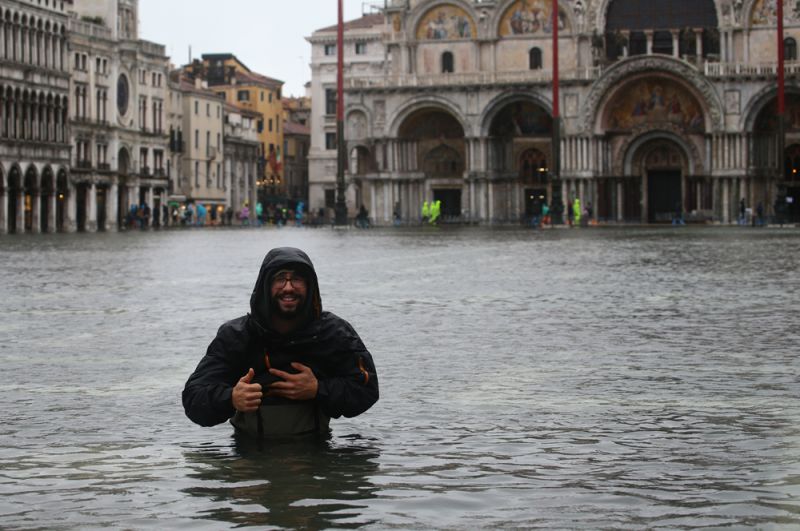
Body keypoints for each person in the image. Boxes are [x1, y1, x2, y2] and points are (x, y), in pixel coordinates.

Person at [182, 247, 379, 437]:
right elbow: (193, 398)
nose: (288, 287)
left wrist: (318, 389)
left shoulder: (334, 333)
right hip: (248, 456)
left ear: (310, 286)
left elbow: (367, 389)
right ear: (265, 286)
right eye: (280, 279)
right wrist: (231, 398)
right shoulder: (236, 336)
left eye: (297, 279)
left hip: (315, 453)